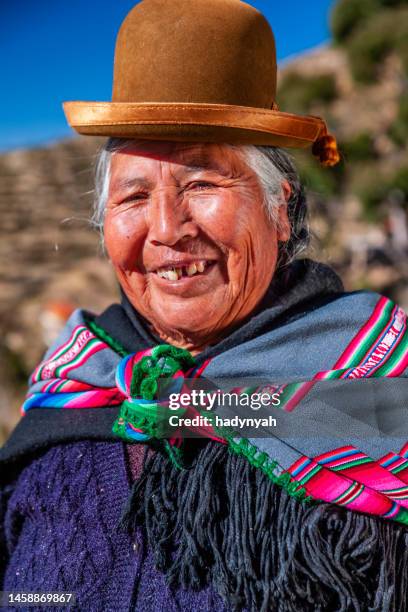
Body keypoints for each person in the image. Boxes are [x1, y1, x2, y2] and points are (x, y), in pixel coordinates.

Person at [1, 1, 407, 611]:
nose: (166, 229)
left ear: (279, 209)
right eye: (133, 196)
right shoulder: (73, 392)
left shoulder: (377, 394)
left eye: (201, 184)